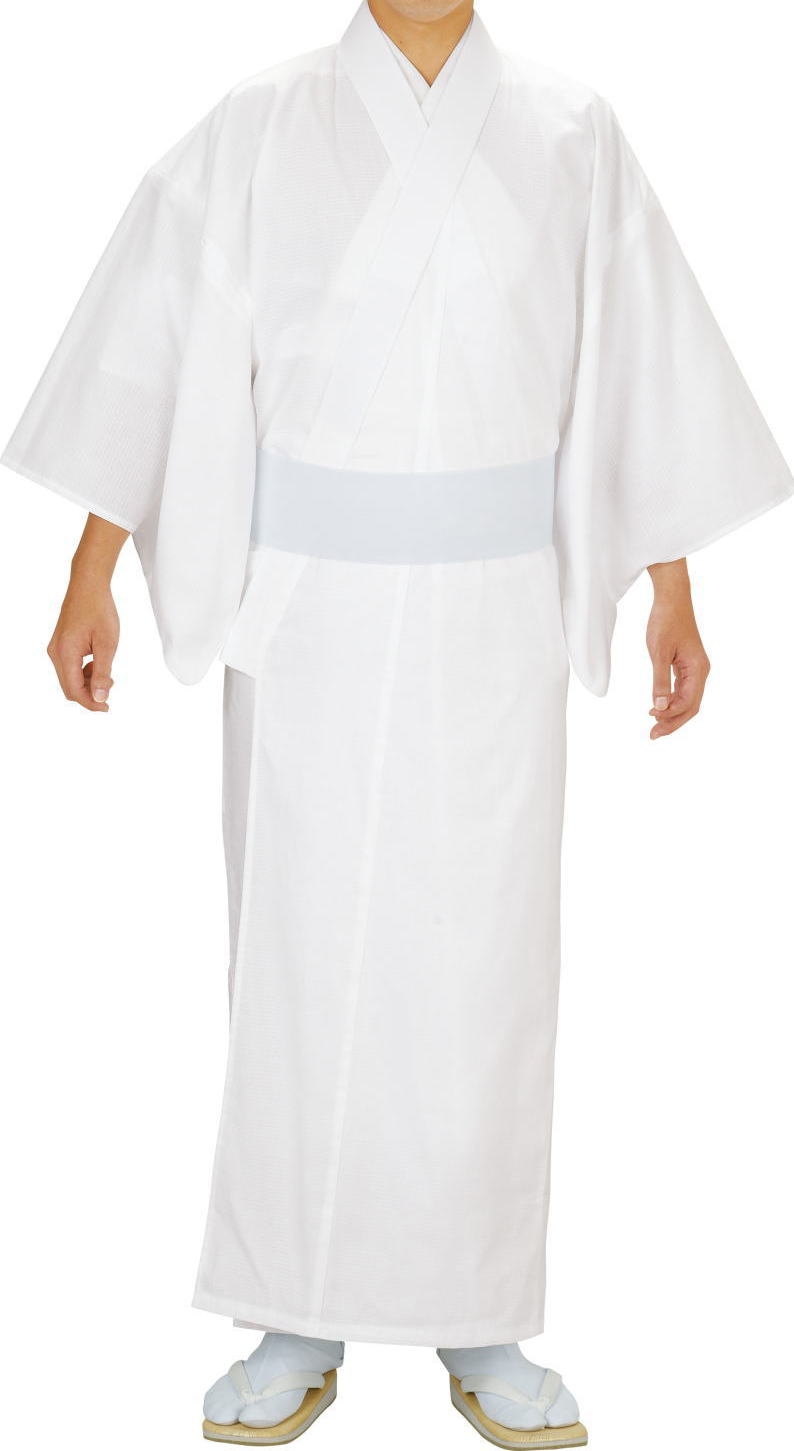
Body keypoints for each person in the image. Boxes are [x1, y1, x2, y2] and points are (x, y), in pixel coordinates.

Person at [3, 1, 792, 1446]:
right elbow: (157, 344)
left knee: (484, 970)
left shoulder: (572, 130)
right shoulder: (257, 123)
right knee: (301, 961)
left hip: (499, 613)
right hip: (308, 612)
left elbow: (632, 369)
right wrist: (90, 568)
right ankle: (294, 1305)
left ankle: (480, 1311)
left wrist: (671, 585)